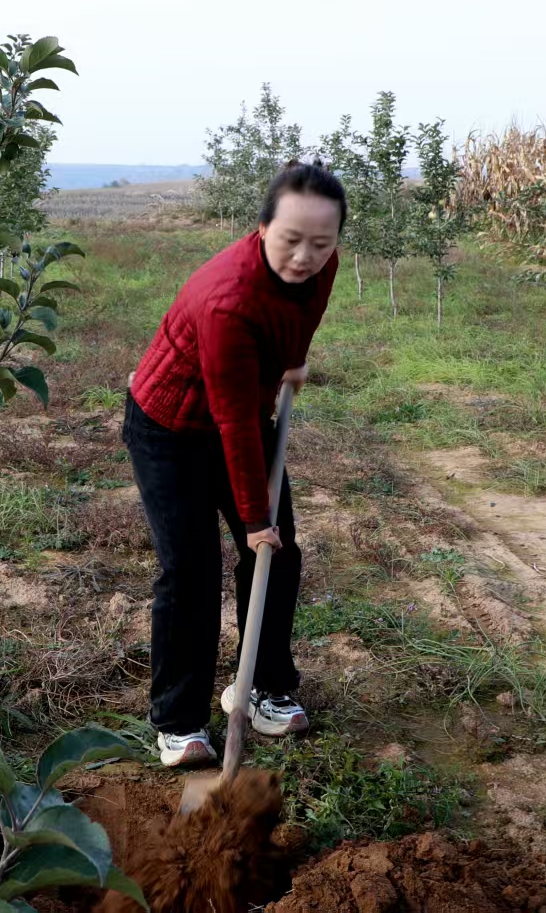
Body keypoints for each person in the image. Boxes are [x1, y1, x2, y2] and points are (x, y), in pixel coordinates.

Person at [122, 161, 345, 768]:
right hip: (170, 429)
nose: (304, 257)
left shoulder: (319, 267)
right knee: (192, 570)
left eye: (320, 243)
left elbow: (304, 312)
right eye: (290, 240)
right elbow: (235, 423)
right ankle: (179, 721)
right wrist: (253, 519)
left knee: (279, 555)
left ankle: (265, 689)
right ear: (262, 228)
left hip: (241, 414)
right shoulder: (228, 299)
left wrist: (293, 358)